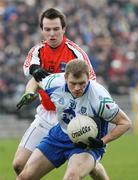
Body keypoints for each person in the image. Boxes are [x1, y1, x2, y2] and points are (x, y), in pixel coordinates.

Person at [13, 7, 109, 180]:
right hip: (46, 114)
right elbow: (30, 71)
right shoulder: (37, 51)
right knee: (19, 165)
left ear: (63, 29)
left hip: (71, 115)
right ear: (42, 30)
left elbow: (92, 82)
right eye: (47, 29)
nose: (52, 33)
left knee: (87, 167)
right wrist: (30, 91)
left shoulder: (75, 53)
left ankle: (95, 164)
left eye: (56, 29)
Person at [17, 60, 132, 180]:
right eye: (73, 83)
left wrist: (103, 141)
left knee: (71, 177)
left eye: (82, 83)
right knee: (24, 177)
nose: (77, 88)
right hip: (59, 135)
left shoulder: (100, 98)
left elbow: (125, 123)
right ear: (65, 77)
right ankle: (93, 165)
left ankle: (91, 162)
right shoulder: (54, 82)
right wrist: (29, 92)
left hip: (87, 144)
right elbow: (36, 79)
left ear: (88, 77)